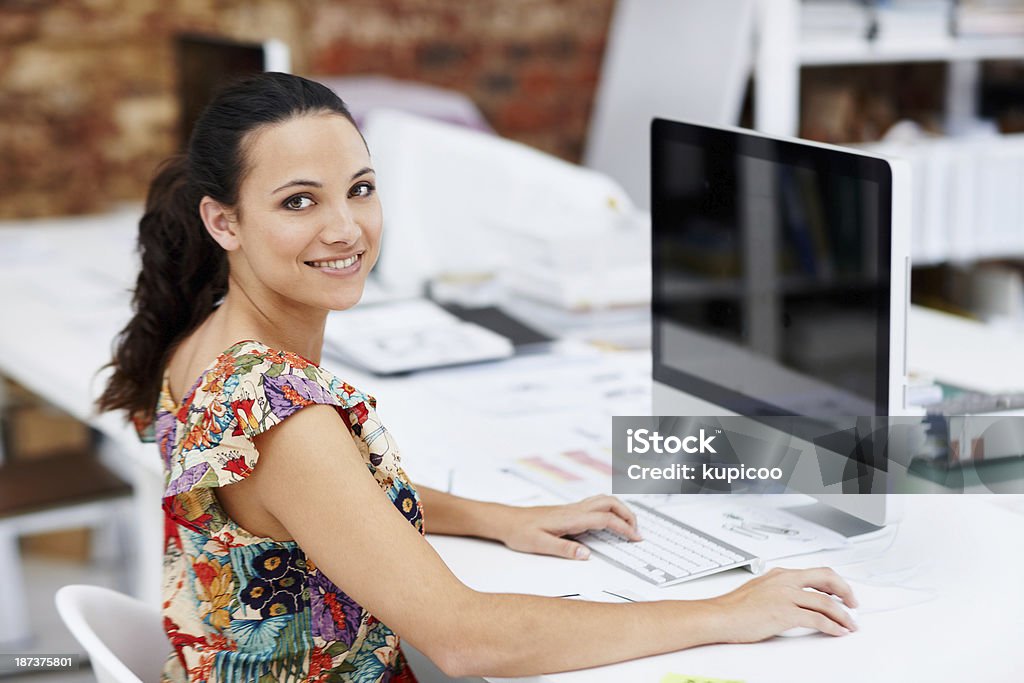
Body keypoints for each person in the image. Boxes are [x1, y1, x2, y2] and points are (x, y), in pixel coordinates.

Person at [97, 72, 858, 683]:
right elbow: (466, 640)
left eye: (360, 188)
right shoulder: (278, 414)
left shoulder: (200, 343)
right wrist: (725, 610)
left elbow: (324, 500)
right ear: (223, 221)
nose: (345, 228)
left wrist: (497, 517)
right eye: (300, 201)